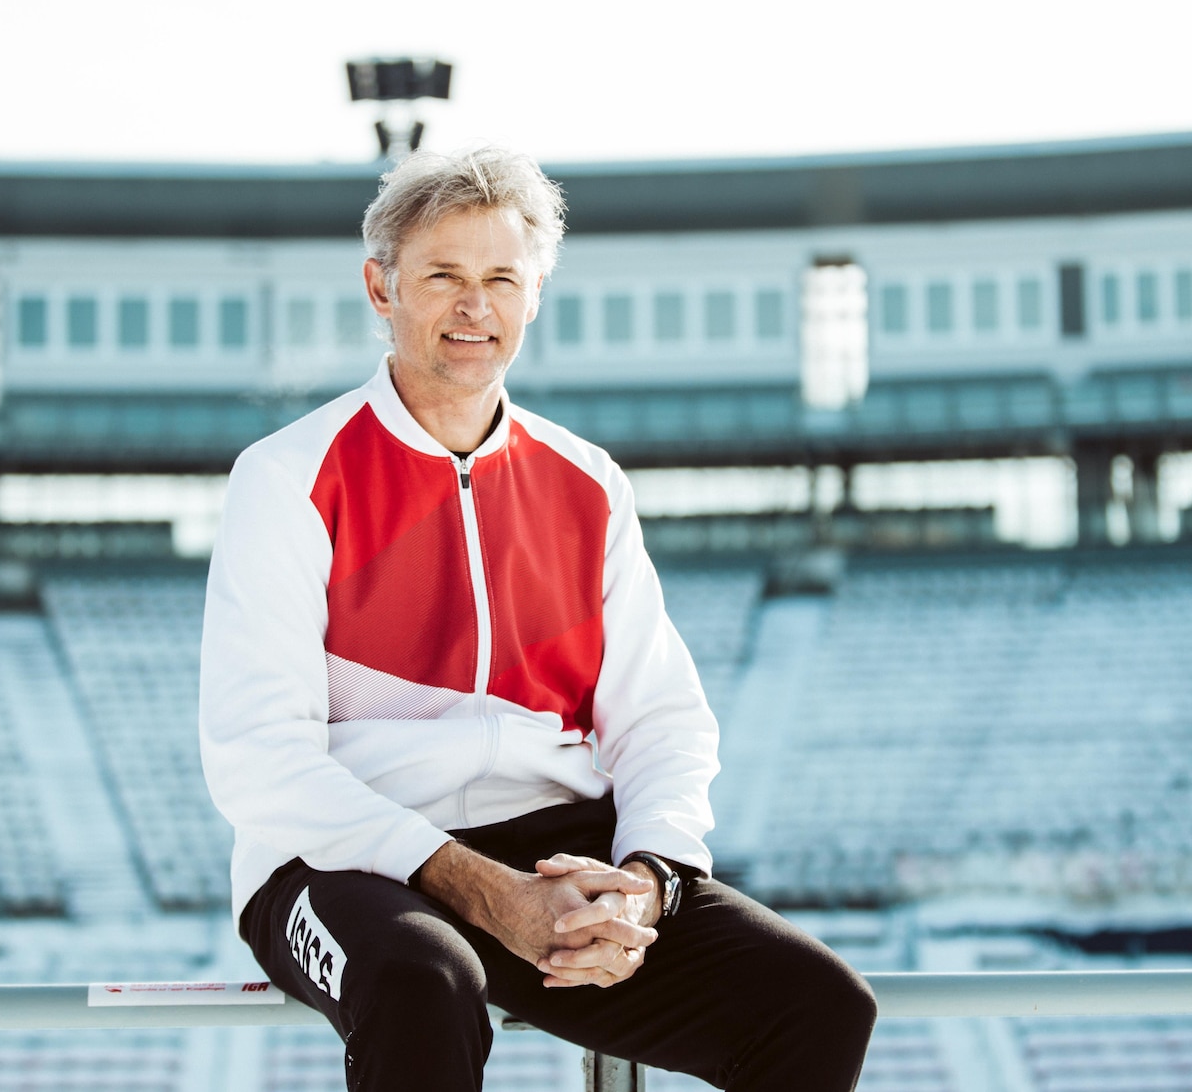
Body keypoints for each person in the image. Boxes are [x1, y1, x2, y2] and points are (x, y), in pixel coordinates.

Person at [200, 146, 876, 1090]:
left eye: (501, 279)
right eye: (443, 276)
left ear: (534, 295)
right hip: (337, 862)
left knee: (819, 1002)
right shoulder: (286, 478)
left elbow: (662, 723)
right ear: (380, 288)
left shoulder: (588, 484)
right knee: (424, 981)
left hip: (551, 855)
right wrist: (482, 888)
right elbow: (256, 757)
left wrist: (648, 880)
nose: (475, 306)